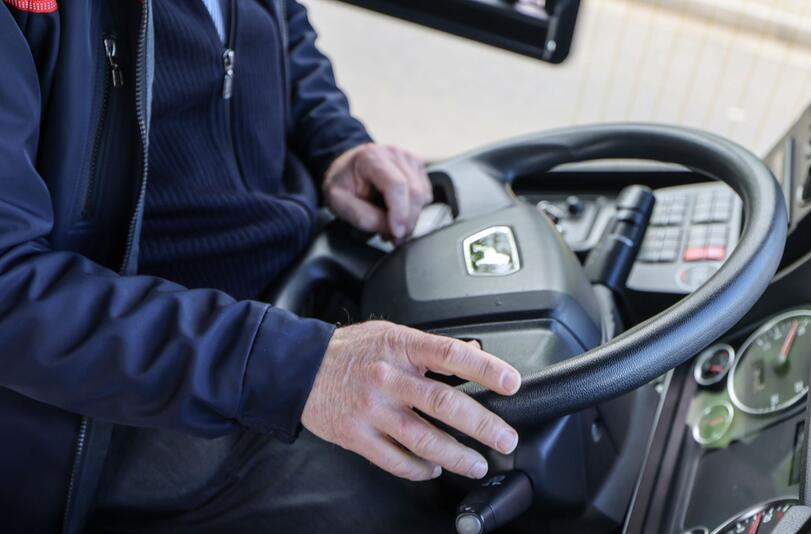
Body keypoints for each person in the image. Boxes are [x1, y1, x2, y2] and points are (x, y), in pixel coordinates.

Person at [0, 1, 521, 532]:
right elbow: (7, 286)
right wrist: (289, 365)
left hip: (293, 292)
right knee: (427, 505)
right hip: (130, 391)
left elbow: (279, 27)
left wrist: (338, 144)